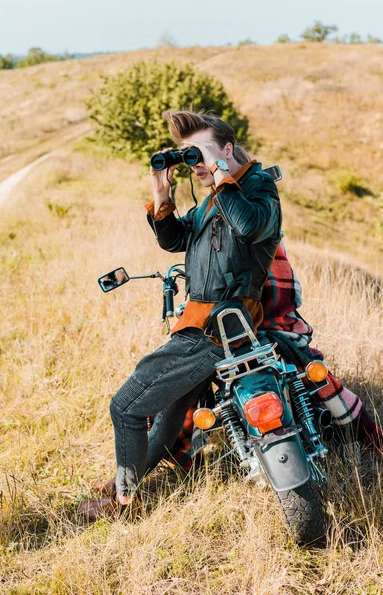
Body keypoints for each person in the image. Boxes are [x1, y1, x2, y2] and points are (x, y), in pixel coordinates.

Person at [78, 110, 283, 520]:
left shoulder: (257, 188)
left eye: (202, 152)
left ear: (227, 149)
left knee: (126, 407)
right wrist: (161, 189)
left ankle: (123, 503)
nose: (198, 165)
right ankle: (128, 480)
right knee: (170, 414)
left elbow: (248, 227)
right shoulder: (212, 199)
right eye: (189, 156)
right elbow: (175, 240)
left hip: (218, 328)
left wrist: (220, 171)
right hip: (201, 324)